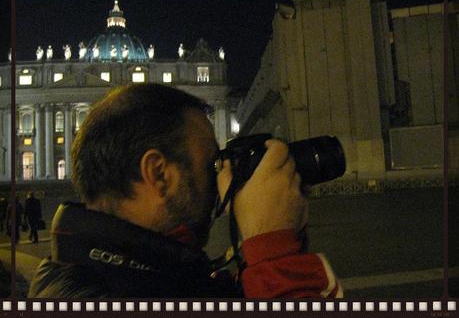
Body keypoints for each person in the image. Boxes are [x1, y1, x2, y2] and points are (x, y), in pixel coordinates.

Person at [28, 83, 342, 298]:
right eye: (211, 165)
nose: (220, 180)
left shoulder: (146, 276)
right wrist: (275, 255)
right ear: (159, 174)